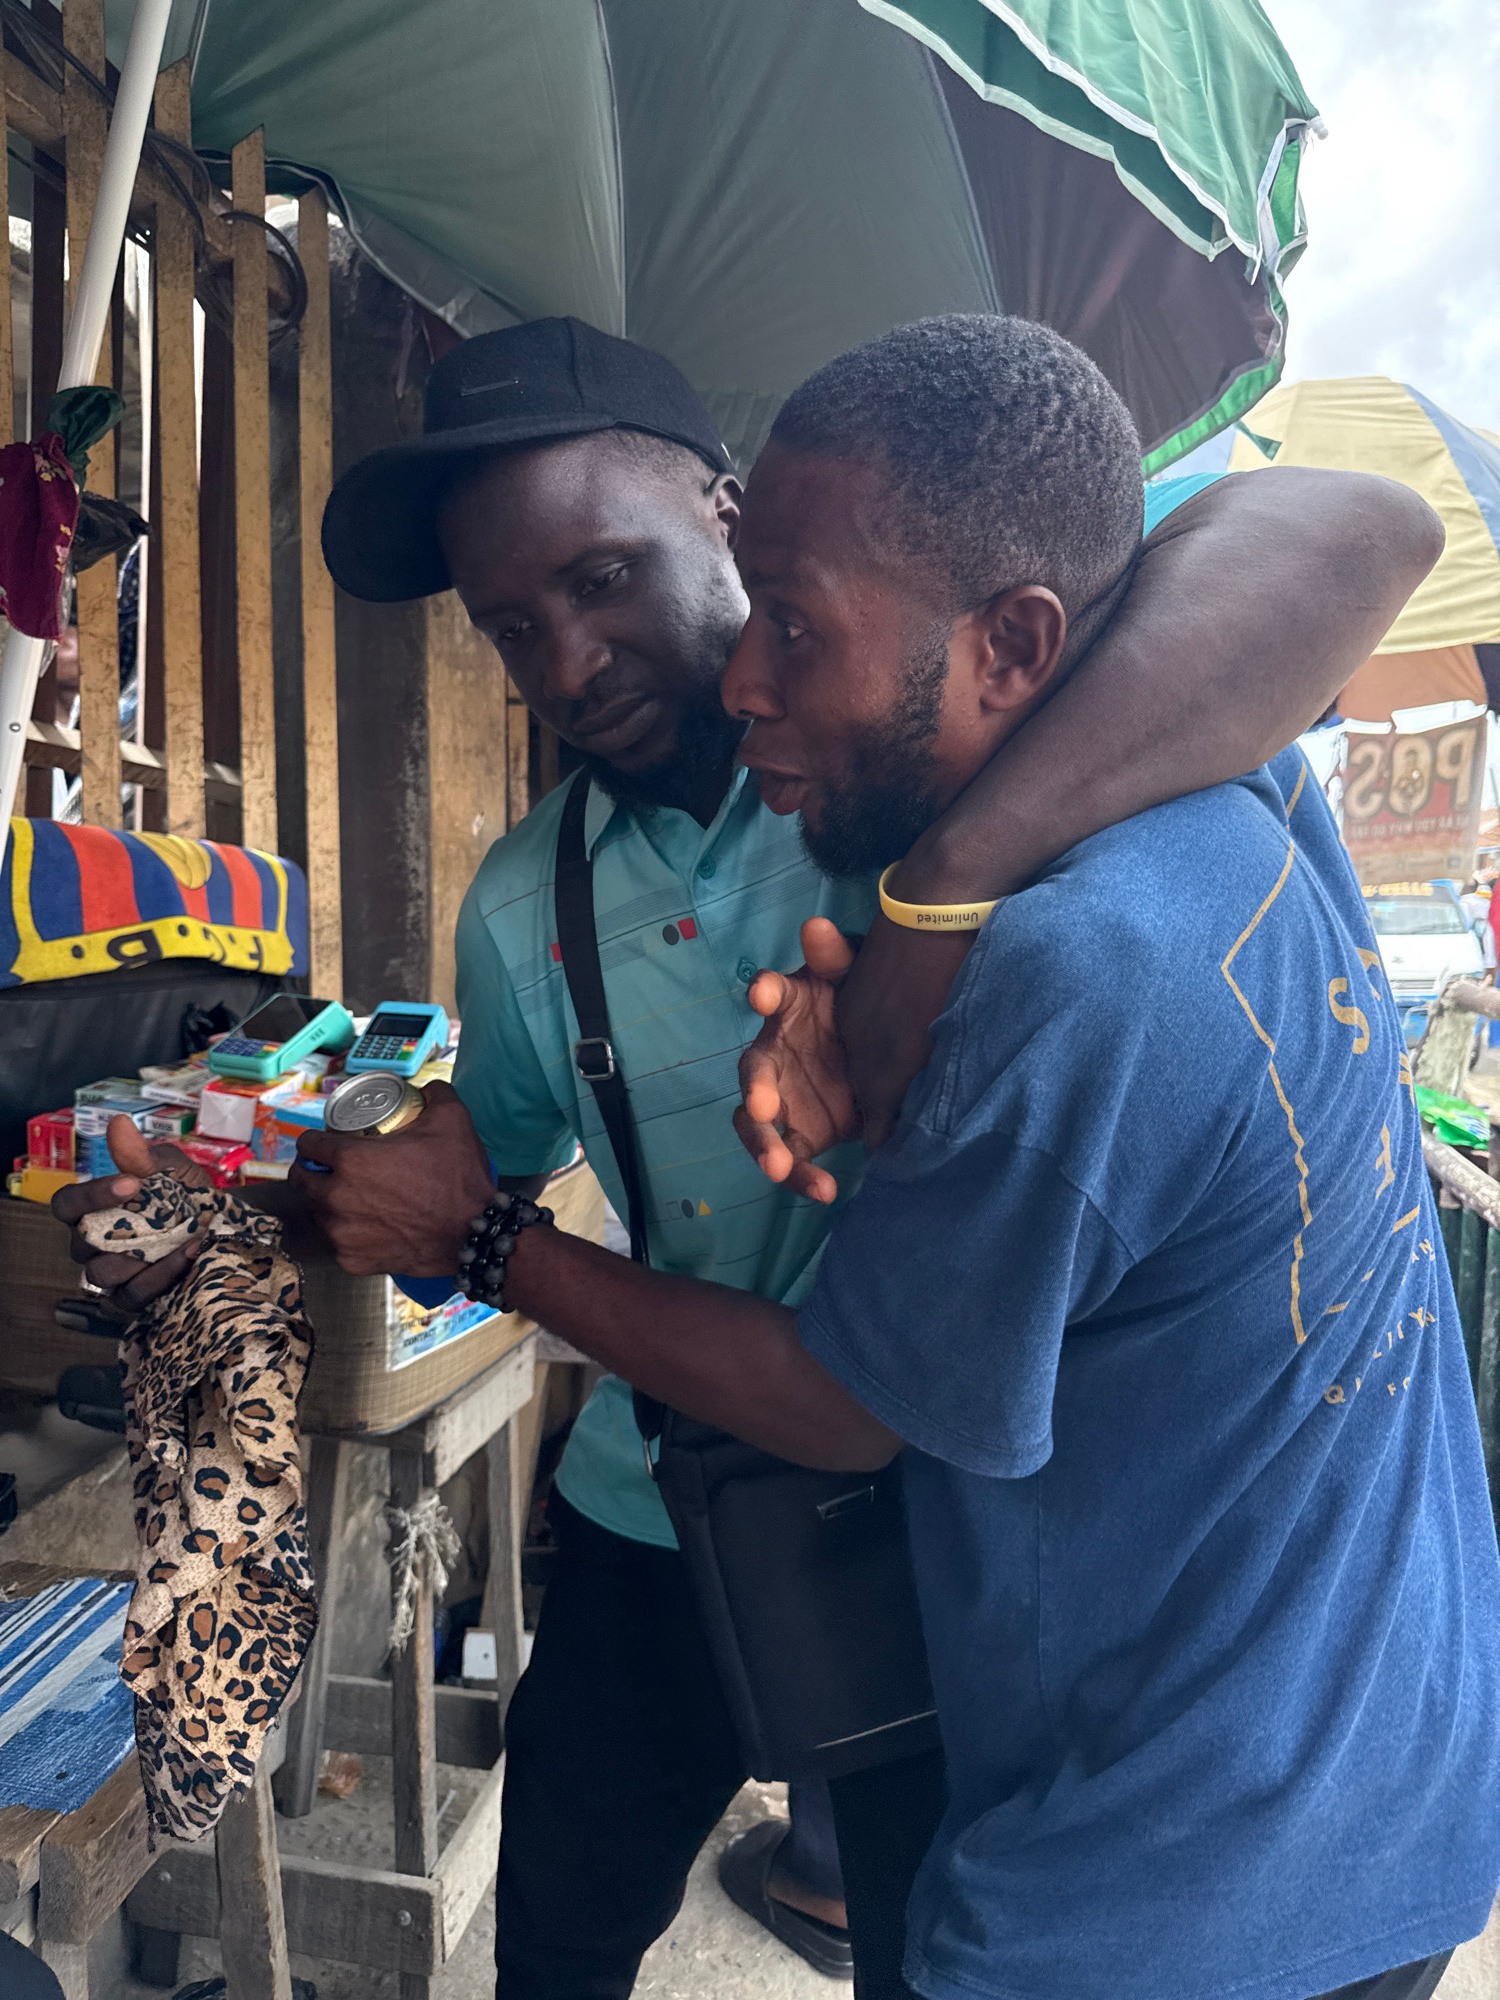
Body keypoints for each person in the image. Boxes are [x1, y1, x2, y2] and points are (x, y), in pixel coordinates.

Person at [55, 318, 1445, 2000]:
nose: (568, 664)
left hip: (946, 1516)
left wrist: (936, 897)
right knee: (562, 1917)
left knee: (914, 1916)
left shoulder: (984, 757)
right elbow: (456, 1178)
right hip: (672, 1496)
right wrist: (238, 1215)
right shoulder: (526, 901)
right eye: (511, 628)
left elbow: (1346, 525)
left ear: (728, 514)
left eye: (604, 578)